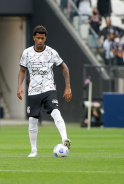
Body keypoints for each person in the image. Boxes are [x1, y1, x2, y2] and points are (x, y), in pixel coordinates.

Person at [17, 25, 72, 158]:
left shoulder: (52, 52)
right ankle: (34, 150)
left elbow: (64, 68)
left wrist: (68, 86)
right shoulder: (27, 53)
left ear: (45, 38)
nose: (40, 40)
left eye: (42, 38)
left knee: (56, 112)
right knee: (32, 121)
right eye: (38, 38)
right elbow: (22, 70)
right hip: (34, 91)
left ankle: (65, 140)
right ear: (34, 38)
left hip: (49, 89)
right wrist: (19, 85)